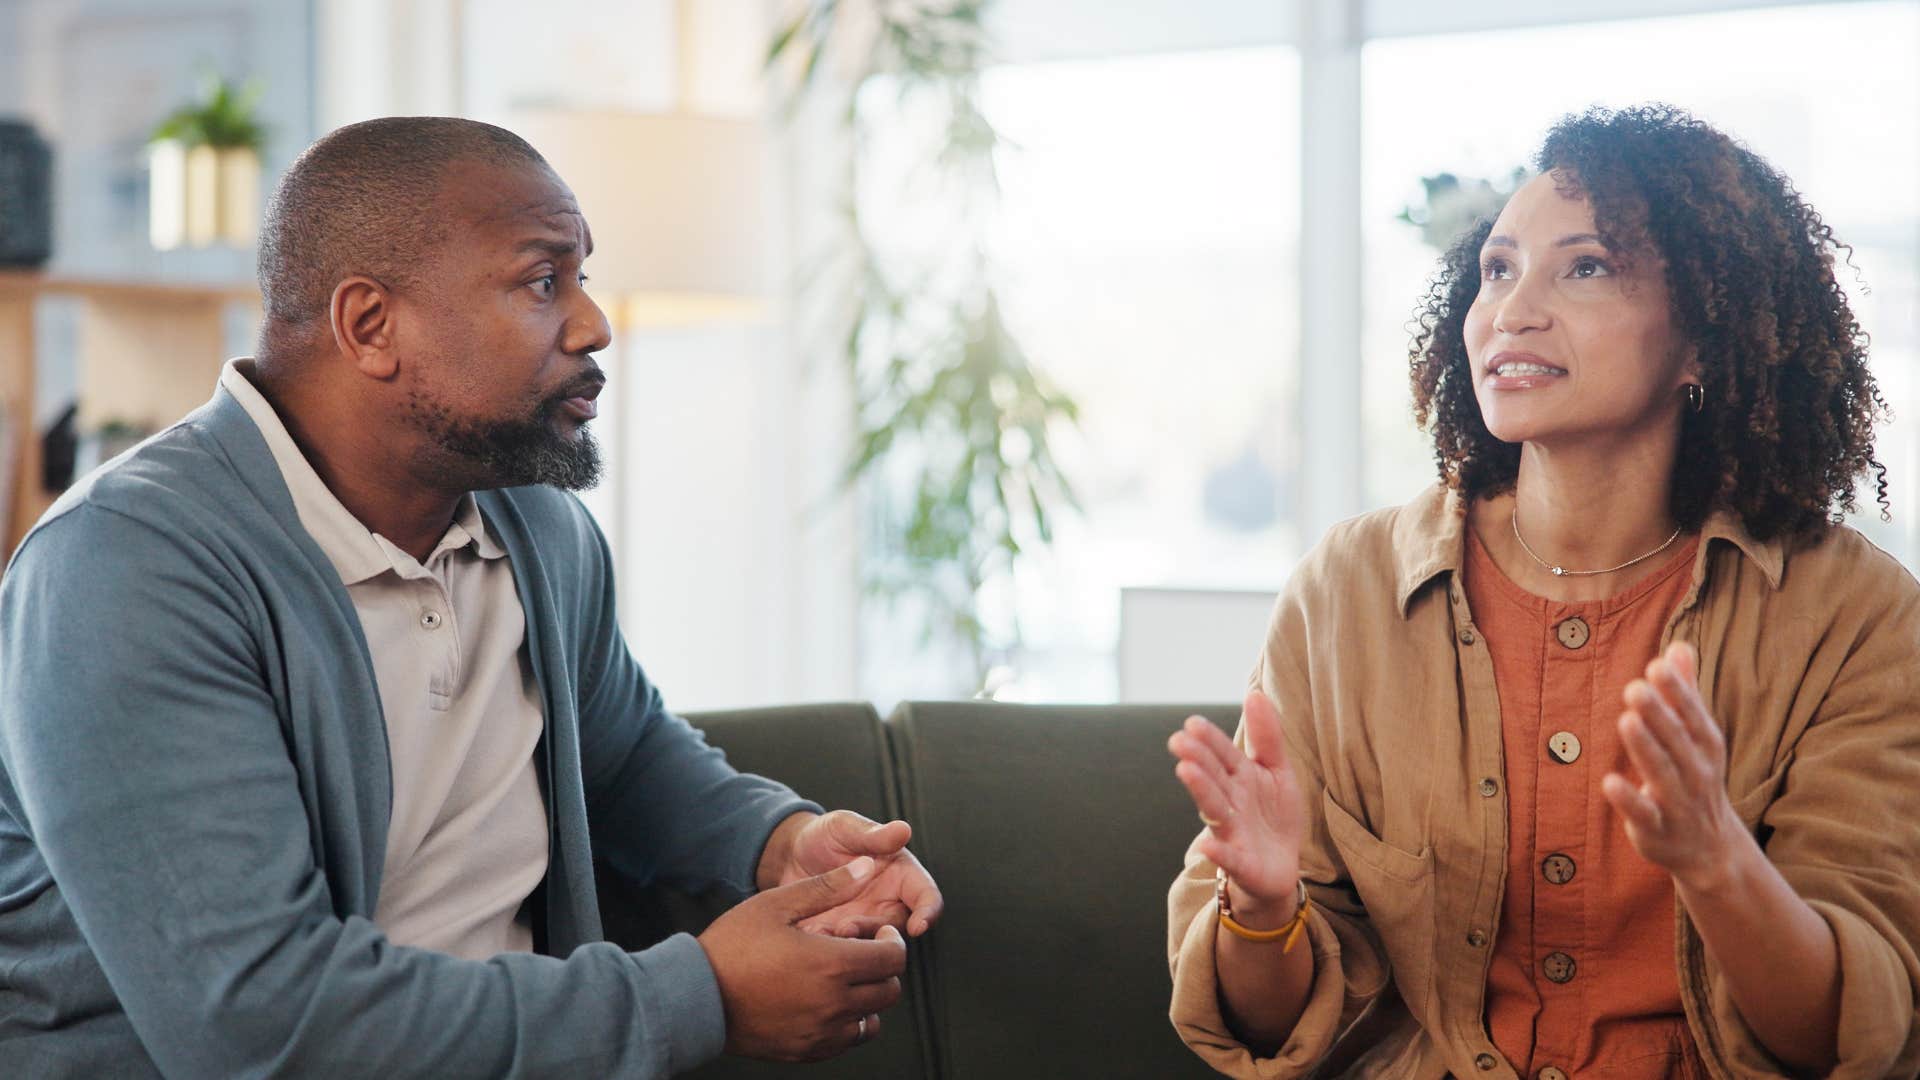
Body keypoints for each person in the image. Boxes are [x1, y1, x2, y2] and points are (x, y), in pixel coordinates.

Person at [0, 116, 942, 1078]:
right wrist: (700, 998)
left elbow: (619, 756)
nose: (593, 324)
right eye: (543, 281)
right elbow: (259, 1024)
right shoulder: (126, 572)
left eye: (580, 277)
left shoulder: (538, 525)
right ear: (371, 325)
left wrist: (777, 843)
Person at [1167, 104, 1920, 1078]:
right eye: (1497, 268)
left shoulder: (1855, 617)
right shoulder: (1342, 593)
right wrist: (1265, 912)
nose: (1513, 309)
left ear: (1704, 337)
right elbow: (1264, 1031)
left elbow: (1849, 1035)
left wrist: (1717, 861)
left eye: (1586, 267)